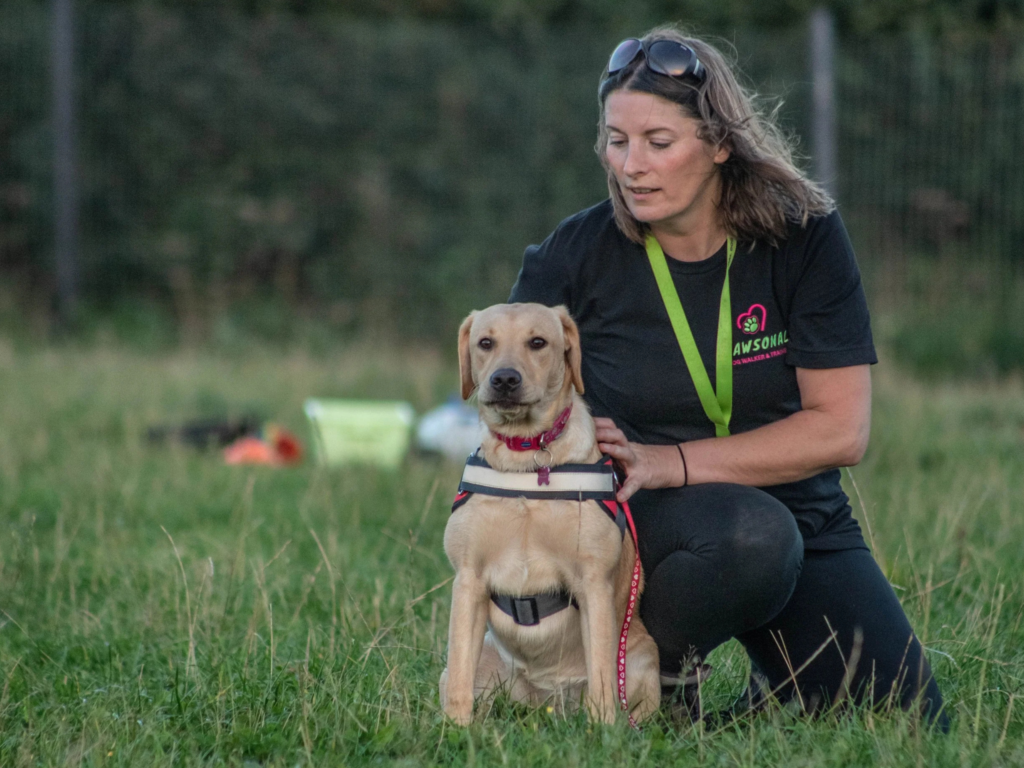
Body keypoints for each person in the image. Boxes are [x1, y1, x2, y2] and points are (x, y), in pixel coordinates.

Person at [508, 26, 947, 728]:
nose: (631, 165)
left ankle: (769, 694)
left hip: (796, 508)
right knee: (750, 536)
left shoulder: (804, 235)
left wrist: (673, 460)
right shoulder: (575, 253)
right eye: (616, 142)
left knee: (910, 719)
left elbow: (841, 429)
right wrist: (567, 432)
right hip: (631, 517)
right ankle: (652, 681)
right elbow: (506, 399)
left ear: (718, 144)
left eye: (658, 142)